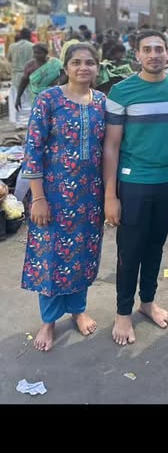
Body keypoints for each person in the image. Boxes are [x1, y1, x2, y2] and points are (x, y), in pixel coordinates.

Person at [20, 44, 105, 351]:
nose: (83, 67)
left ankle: (78, 309)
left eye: (90, 62)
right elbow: (33, 150)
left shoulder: (102, 102)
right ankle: (49, 320)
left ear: (97, 68)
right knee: (51, 257)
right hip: (54, 196)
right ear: (66, 67)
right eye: (76, 62)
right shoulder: (49, 99)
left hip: (89, 197)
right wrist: (38, 198)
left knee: (83, 254)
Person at [104, 30, 168, 346]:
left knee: (155, 246)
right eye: (147, 49)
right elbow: (111, 146)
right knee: (130, 248)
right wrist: (110, 195)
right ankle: (123, 312)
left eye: (159, 49)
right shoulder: (122, 91)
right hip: (134, 181)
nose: (154, 55)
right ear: (136, 55)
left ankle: (148, 301)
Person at [15, 44, 63, 110]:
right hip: (36, 98)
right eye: (35, 53)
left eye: (39, 53)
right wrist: (18, 98)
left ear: (46, 53)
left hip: (54, 98)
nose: (36, 55)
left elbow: (65, 76)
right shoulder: (29, 65)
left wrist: (58, 83)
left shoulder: (55, 63)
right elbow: (24, 82)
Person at [7, 27, 33, 126]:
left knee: (16, 99)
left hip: (15, 76)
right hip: (28, 76)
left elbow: (9, 59)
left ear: (20, 35)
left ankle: (19, 122)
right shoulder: (32, 46)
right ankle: (27, 121)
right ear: (29, 35)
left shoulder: (12, 46)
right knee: (27, 99)